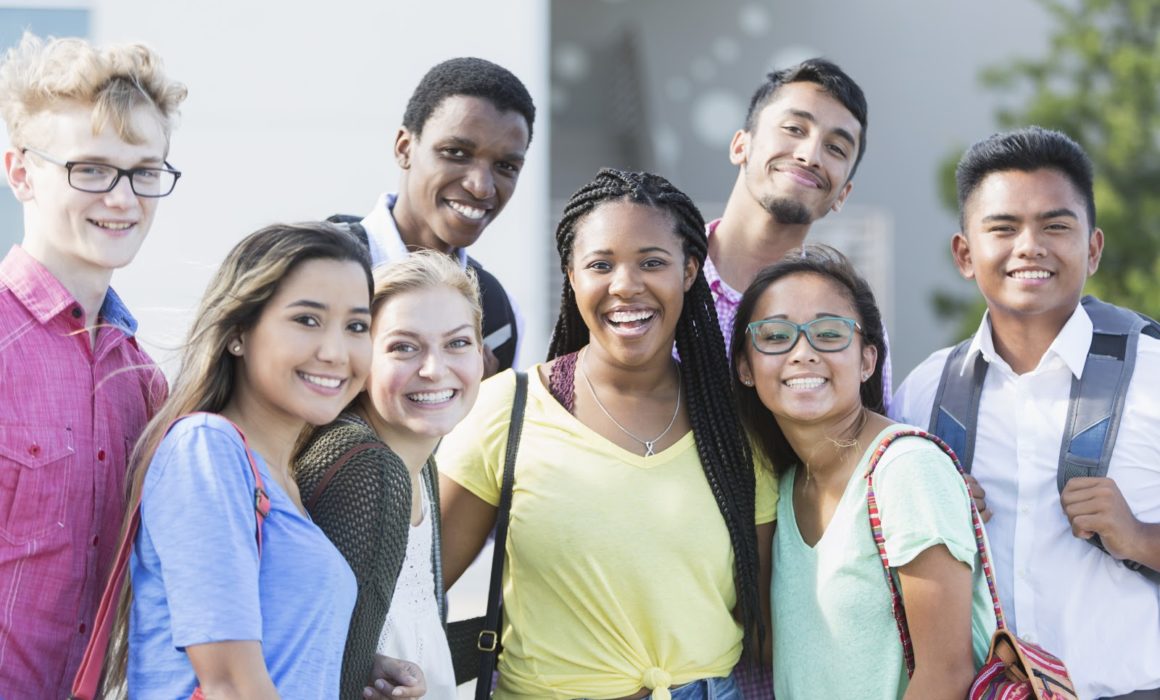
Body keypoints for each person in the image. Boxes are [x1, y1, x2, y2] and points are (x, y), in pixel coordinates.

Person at [439, 168, 774, 700]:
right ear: (571, 276)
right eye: (601, 264)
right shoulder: (510, 409)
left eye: (652, 262)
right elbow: (415, 587)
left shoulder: (737, 428)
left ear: (689, 271)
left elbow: (769, 622)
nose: (625, 285)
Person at [892, 126, 1160, 699]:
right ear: (965, 254)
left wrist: (1139, 537)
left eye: (1056, 226)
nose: (1029, 246)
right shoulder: (923, 394)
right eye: (1003, 228)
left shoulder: (1155, 375)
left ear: (1093, 247)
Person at [98, 223, 415, 698]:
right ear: (238, 334)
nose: (335, 352)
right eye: (307, 320)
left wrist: (352, 663)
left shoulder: (280, 476)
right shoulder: (207, 449)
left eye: (356, 326)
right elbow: (229, 683)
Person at [0, 33, 185, 698]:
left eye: (144, 171)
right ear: (20, 172)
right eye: (92, 169)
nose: (123, 198)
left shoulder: (143, 381)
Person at [731, 244, 995, 698]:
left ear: (868, 359)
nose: (802, 352)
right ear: (746, 368)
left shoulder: (906, 470)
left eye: (829, 333)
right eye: (775, 336)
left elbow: (946, 676)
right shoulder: (788, 484)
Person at [296, 249, 485, 699]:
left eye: (457, 343)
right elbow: (326, 669)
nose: (435, 369)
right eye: (404, 347)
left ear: (482, 353)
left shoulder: (422, 466)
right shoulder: (367, 468)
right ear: (360, 362)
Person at [334, 57, 535, 377]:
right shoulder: (316, 269)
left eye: (506, 167)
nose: (481, 187)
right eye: (456, 153)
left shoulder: (499, 317)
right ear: (404, 148)